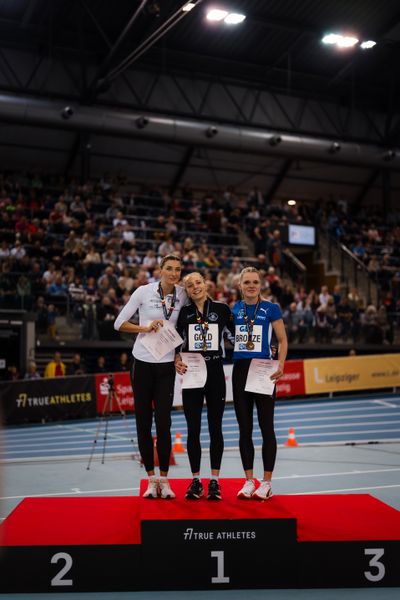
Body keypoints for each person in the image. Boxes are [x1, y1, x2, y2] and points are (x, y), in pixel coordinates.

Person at [114, 254, 186, 499]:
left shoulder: (183, 294)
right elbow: (119, 323)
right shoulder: (143, 292)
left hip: (166, 366)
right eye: (169, 268)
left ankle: (164, 481)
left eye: (177, 269)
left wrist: (180, 354)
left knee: (164, 424)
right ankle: (150, 479)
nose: (173, 273)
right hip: (142, 363)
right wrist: (143, 328)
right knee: (143, 423)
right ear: (160, 269)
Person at [175, 272, 232, 501]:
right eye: (190, 285)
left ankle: (215, 482)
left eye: (198, 282)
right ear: (187, 291)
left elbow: (237, 336)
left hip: (216, 371)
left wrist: (267, 350)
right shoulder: (184, 313)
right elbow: (176, 342)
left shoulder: (221, 309)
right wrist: (176, 360)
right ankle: (196, 480)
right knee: (193, 429)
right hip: (193, 374)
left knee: (215, 427)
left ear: (206, 284)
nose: (195, 287)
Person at [231, 267, 287, 500]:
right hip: (241, 371)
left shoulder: (271, 308)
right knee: (245, 429)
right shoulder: (234, 309)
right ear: (240, 285)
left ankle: (266, 482)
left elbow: (282, 340)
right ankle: (248, 481)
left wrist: (281, 364)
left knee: (266, 428)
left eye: (255, 282)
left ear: (260, 284)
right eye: (247, 282)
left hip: (263, 370)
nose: (251, 286)